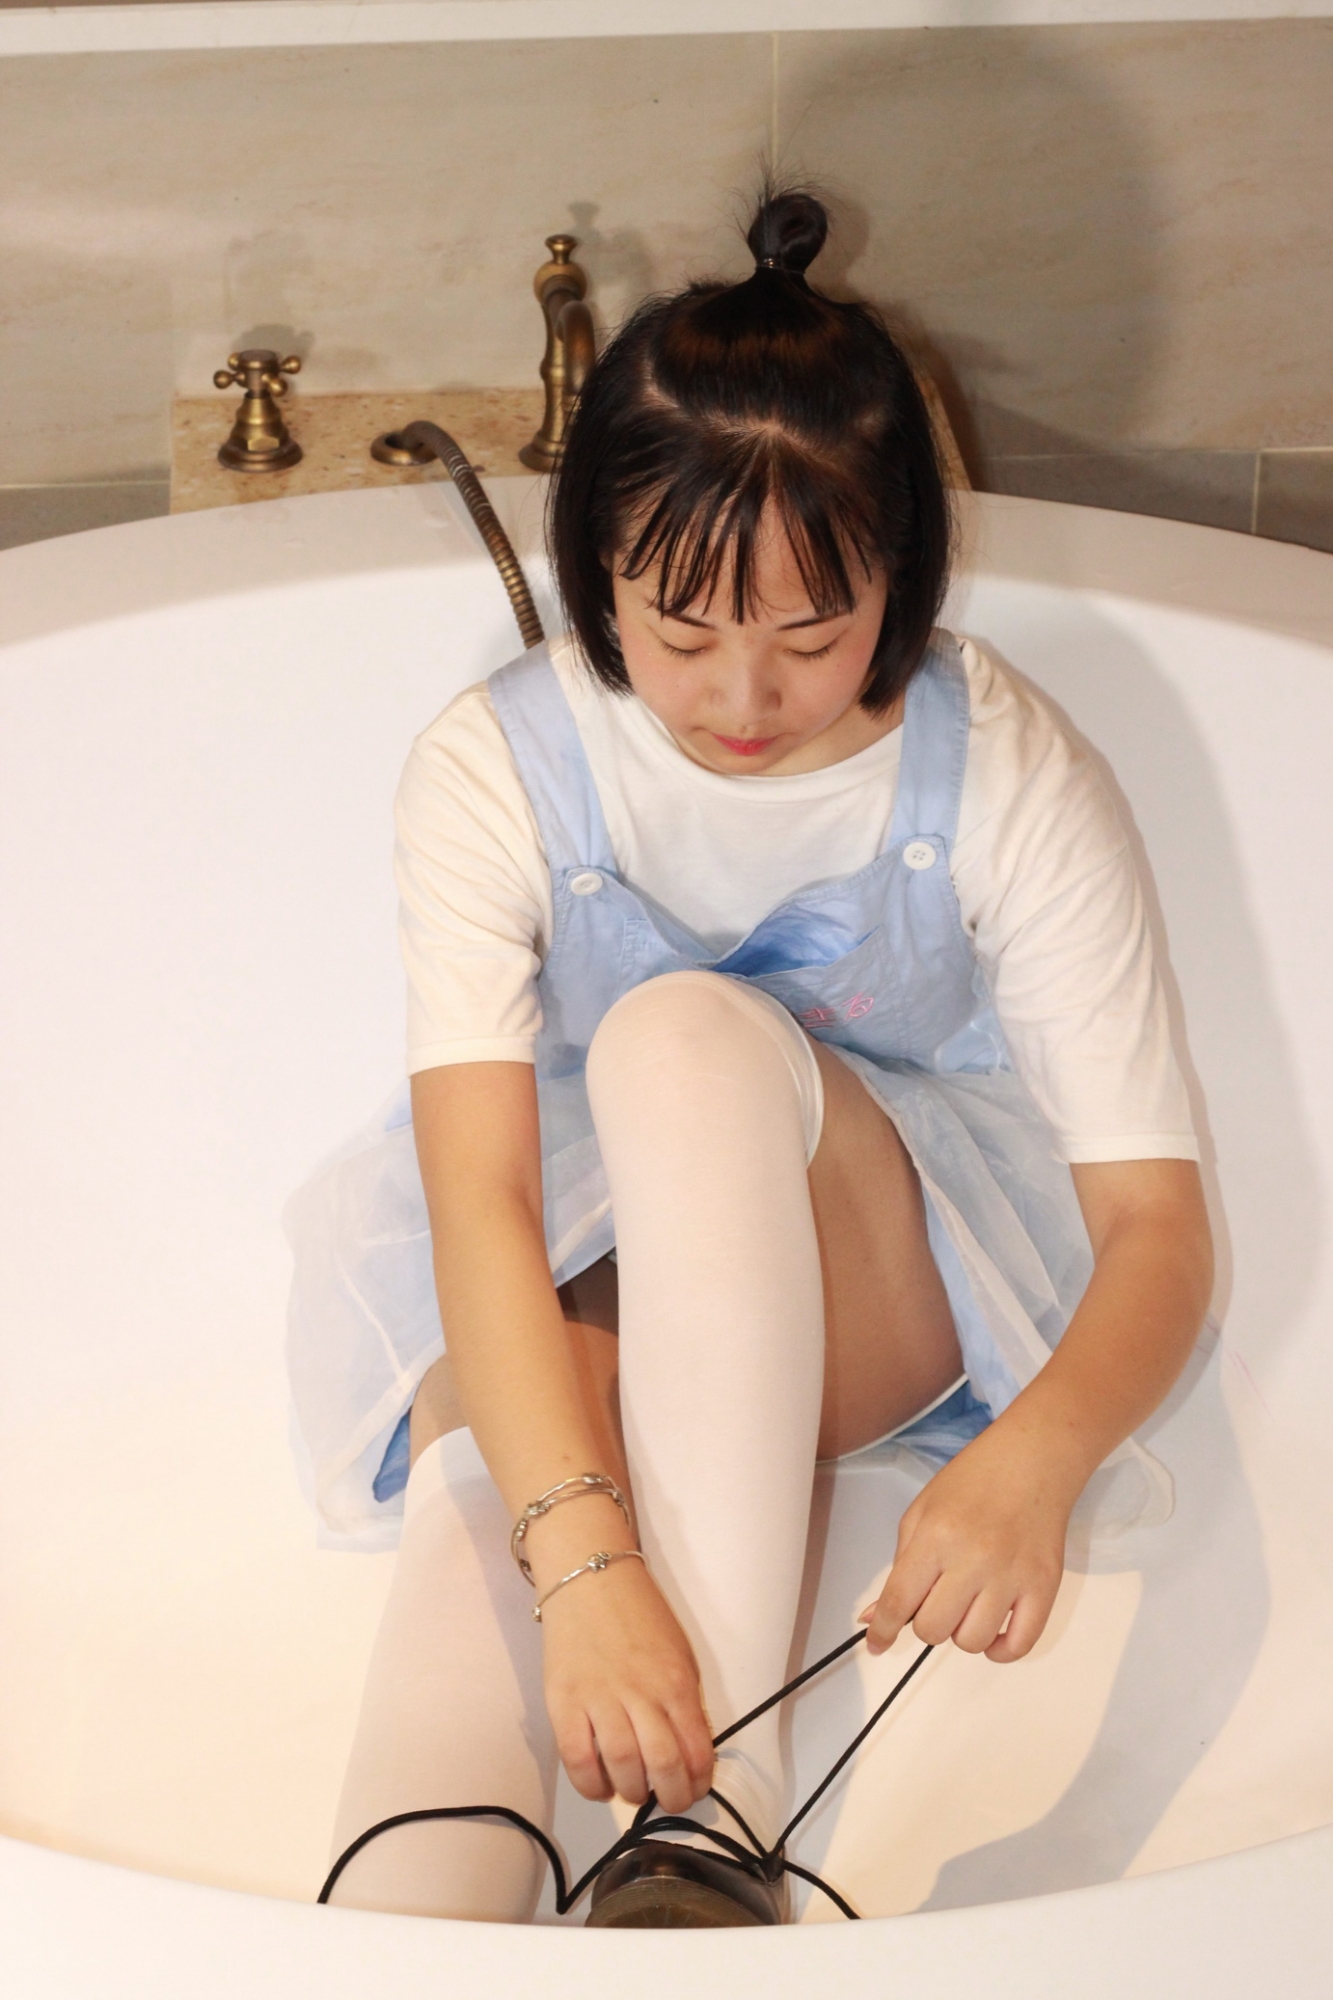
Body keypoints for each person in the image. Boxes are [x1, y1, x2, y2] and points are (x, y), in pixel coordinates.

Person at [289, 187, 1213, 1929]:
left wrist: (1036, 1462)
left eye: (809, 635)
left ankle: (713, 1826)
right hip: (599, 1244)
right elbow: (481, 1202)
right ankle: (396, 1943)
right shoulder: (493, 766)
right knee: (499, 1427)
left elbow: (1157, 1231)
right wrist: (583, 1569)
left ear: (900, 580)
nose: (739, 699)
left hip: (891, 1268)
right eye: (678, 630)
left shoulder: (1003, 764)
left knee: (681, 1038)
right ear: (597, 573)